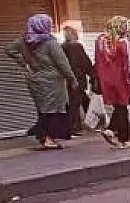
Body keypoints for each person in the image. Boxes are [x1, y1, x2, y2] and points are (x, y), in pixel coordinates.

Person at [5, 14, 78, 150]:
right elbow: (63, 64)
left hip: (34, 80)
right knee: (52, 111)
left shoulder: (24, 41)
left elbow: (8, 49)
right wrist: (72, 79)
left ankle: (44, 137)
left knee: (43, 110)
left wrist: (24, 62)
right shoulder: (50, 43)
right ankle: (47, 138)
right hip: (53, 82)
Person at [94, 16, 130, 148]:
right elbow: (128, 65)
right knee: (123, 107)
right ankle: (123, 139)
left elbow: (97, 61)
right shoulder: (123, 42)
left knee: (118, 107)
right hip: (121, 80)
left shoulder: (100, 41)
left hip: (106, 80)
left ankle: (111, 130)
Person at [60, 26, 96, 135]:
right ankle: (72, 128)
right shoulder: (77, 46)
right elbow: (85, 63)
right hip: (78, 78)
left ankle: (89, 122)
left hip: (68, 79)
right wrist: (93, 75)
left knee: (83, 100)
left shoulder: (62, 47)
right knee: (75, 104)